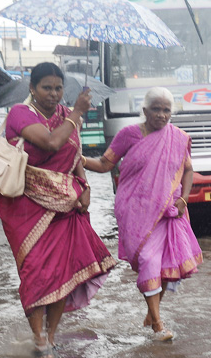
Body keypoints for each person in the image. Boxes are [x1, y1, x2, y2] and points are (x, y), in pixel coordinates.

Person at [0, 62, 117, 358]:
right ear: (32, 88)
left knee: (63, 271)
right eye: (46, 88)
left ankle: (50, 338)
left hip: (66, 204)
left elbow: (73, 150)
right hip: (26, 206)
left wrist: (85, 184)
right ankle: (38, 336)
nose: (53, 94)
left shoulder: (66, 116)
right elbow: (52, 143)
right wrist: (78, 112)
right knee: (36, 271)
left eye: (58, 88)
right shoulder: (20, 114)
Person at [82, 87, 202, 341]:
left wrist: (184, 198)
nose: (161, 115)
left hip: (170, 211)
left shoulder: (178, 138)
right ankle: (158, 323)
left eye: (166, 110)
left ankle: (152, 312)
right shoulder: (128, 135)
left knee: (169, 263)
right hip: (135, 211)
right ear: (145, 111)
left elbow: (188, 170)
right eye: (156, 109)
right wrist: (79, 159)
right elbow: (105, 164)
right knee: (149, 259)